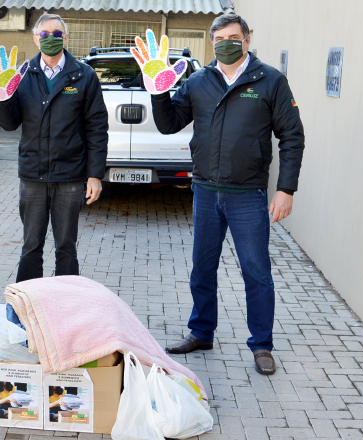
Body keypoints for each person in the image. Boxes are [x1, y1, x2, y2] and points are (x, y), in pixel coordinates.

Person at [148, 14, 305, 374]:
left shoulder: (270, 81)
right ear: (211, 41)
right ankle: (202, 332)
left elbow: (292, 136)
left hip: (247, 194)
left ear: (247, 39)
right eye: (219, 38)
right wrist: (157, 89)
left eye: (233, 37)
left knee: (256, 271)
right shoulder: (200, 81)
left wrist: (285, 189)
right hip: (205, 191)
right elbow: (169, 123)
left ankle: (262, 345)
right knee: (202, 268)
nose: (226, 43)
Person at [0, 13, 109, 282]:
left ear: (66, 37)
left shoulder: (84, 75)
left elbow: (97, 128)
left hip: (69, 176)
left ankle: (66, 310)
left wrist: (95, 175)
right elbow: (10, 125)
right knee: (30, 247)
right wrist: (2, 96)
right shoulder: (21, 75)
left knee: (66, 248)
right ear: (35, 39)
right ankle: (26, 308)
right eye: (44, 34)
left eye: (57, 34)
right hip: (33, 176)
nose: (51, 39)